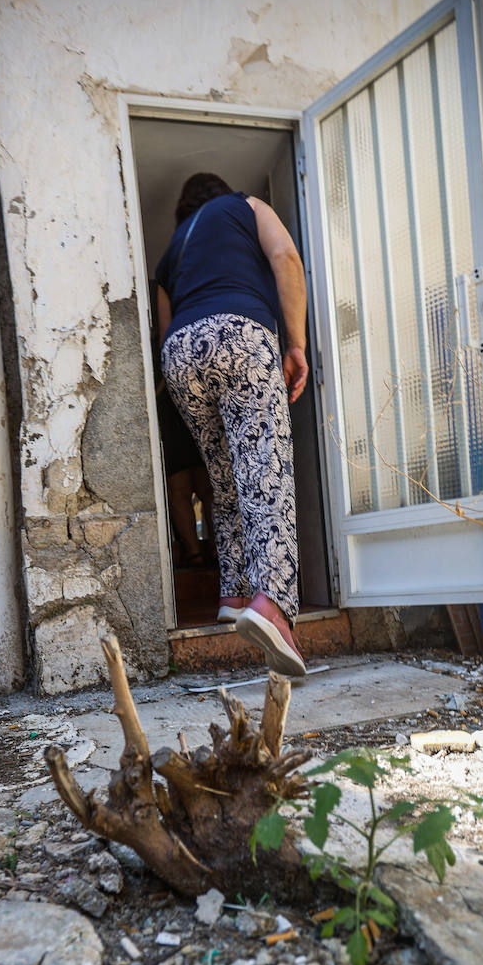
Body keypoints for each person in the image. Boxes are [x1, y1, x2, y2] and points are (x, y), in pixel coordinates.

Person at [156, 172, 309, 677]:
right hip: (241, 333)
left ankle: (235, 592)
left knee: (223, 477)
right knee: (264, 469)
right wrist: (296, 344)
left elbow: (164, 326)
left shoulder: (173, 249)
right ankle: (274, 606)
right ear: (223, 192)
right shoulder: (246, 206)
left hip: (181, 353)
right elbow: (286, 257)